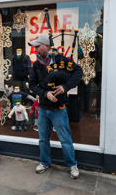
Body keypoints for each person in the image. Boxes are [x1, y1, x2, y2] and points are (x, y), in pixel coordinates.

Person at [28, 35, 83, 179]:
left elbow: (78, 72)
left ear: (46, 46)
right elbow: (32, 85)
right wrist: (45, 94)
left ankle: (72, 165)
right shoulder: (36, 64)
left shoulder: (61, 60)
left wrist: (65, 87)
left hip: (59, 109)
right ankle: (45, 162)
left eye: (37, 46)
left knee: (65, 139)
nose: (35, 49)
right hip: (44, 108)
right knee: (43, 138)